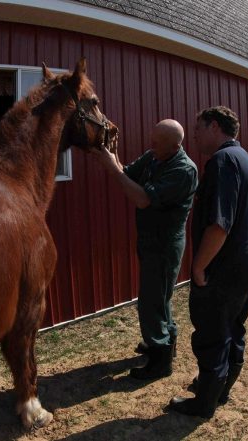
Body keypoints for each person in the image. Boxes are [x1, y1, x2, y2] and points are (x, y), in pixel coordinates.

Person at [169, 106, 248, 417]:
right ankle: (220, 387)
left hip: (228, 265)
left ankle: (204, 403)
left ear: (214, 127)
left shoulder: (222, 162)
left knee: (212, 329)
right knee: (234, 325)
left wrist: (198, 266)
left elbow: (219, 225)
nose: (194, 134)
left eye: (198, 128)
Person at [94, 119, 198, 380]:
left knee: (152, 300)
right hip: (151, 241)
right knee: (160, 296)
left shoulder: (183, 170)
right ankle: (164, 342)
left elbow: (142, 199)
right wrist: (112, 153)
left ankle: (160, 359)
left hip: (164, 245)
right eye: (151, 140)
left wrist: (110, 166)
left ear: (174, 146)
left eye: (157, 142)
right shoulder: (155, 157)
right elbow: (127, 174)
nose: (150, 146)